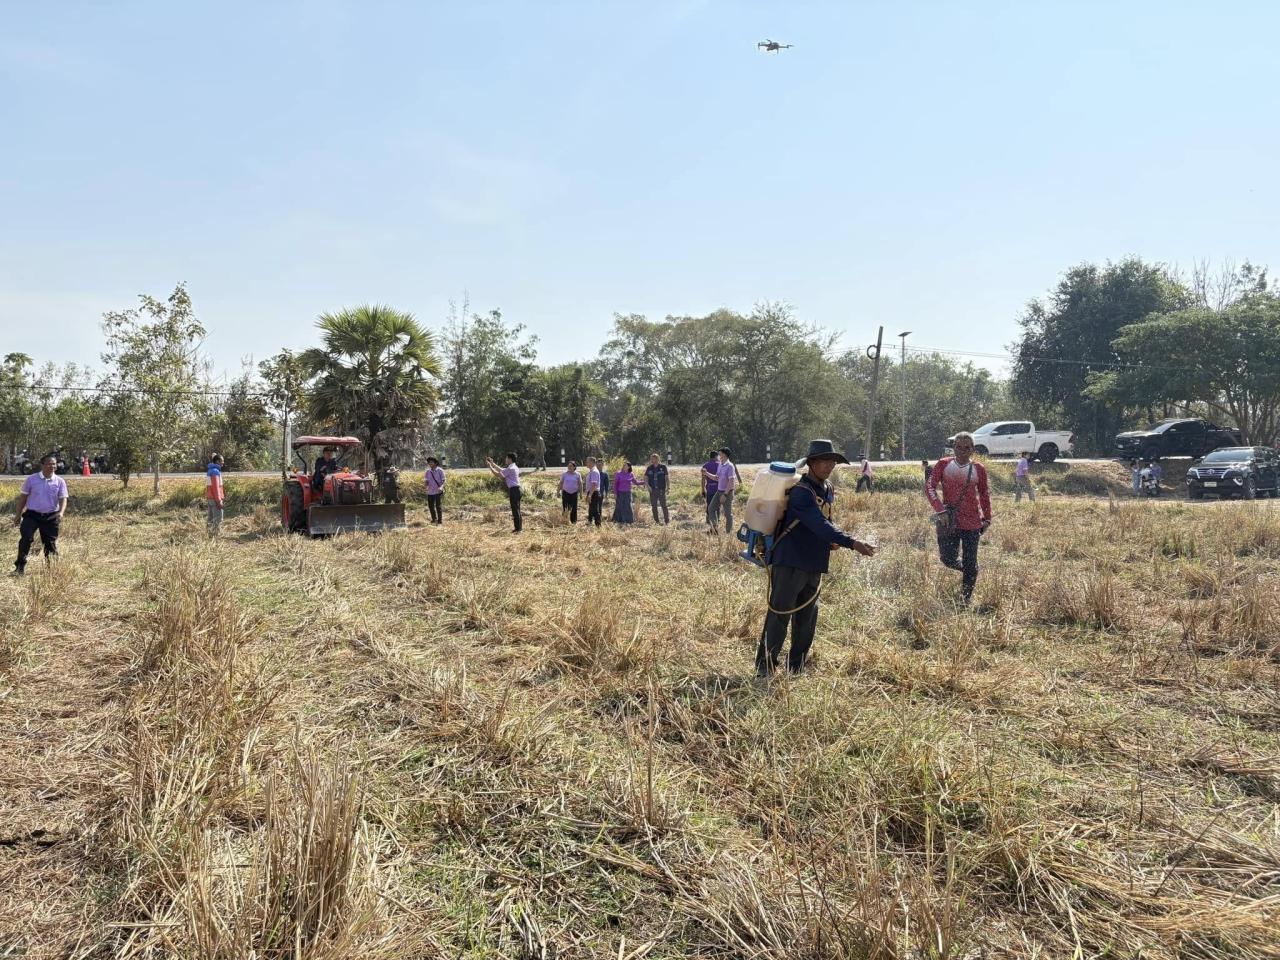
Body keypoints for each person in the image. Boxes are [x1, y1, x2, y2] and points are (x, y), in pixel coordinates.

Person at [757, 439, 876, 676]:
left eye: (832, 461)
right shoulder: (801, 491)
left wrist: (833, 539)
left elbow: (826, 522)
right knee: (780, 614)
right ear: (811, 463)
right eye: (824, 461)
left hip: (814, 562)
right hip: (791, 559)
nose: (829, 466)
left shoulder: (827, 489)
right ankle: (765, 666)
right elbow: (818, 523)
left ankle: (796, 666)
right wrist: (851, 543)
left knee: (807, 617)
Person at [926, 432, 992, 604]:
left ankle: (964, 600)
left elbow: (984, 495)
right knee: (947, 559)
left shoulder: (979, 469)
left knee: (970, 562)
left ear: (973, 450)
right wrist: (940, 510)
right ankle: (971, 571)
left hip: (973, 523)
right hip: (949, 522)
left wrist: (987, 518)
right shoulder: (943, 464)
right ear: (953, 447)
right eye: (958, 447)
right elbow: (930, 488)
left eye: (967, 448)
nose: (962, 451)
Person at [13, 453, 68, 576]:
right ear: (42, 465)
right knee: (26, 539)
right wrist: (18, 515)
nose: (51, 466)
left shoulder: (60, 481)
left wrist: (61, 512)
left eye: (54, 464)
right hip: (32, 515)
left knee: (50, 543)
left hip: (51, 516)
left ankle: (52, 569)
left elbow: (63, 498)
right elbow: (23, 498)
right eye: (48, 463)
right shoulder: (31, 479)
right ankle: (20, 567)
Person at [485, 452, 523, 533]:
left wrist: (490, 467)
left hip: (514, 490)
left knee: (515, 510)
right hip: (517, 490)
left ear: (510, 459)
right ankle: (518, 528)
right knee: (517, 510)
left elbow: (499, 475)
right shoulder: (514, 467)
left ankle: (518, 530)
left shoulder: (510, 468)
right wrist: (493, 463)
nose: (505, 459)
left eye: (506, 458)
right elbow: (502, 470)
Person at [714, 448, 739, 534]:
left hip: (727, 493)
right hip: (719, 491)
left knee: (727, 514)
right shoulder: (720, 464)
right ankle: (714, 529)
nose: (718, 455)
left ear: (724, 455)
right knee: (711, 508)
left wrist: (725, 495)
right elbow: (716, 478)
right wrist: (706, 474)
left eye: (719, 454)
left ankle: (729, 532)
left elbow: (731, 483)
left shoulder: (730, 466)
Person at [644, 453, 669, 524]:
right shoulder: (649, 468)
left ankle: (666, 521)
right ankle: (656, 521)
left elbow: (667, 478)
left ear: (658, 459)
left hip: (661, 489)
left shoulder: (663, 467)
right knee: (654, 506)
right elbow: (645, 478)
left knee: (664, 505)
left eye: (654, 458)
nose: (653, 460)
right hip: (652, 490)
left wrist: (668, 487)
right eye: (652, 459)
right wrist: (648, 486)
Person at [206, 453, 225, 536]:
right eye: (222, 461)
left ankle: (209, 535)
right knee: (218, 518)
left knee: (210, 519)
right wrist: (218, 500)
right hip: (215, 498)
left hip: (210, 498)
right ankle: (216, 536)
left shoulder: (210, 470)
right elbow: (216, 488)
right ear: (217, 461)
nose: (223, 463)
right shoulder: (215, 471)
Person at [701, 450, 721, 528]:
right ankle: (717, 519)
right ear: (716, 456)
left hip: (709, 488)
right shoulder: (720, 465)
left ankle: (709, 520)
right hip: (718, 488)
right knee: (717, 505)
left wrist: (703, 489)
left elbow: (703, 479)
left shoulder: (705, 466)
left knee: (709, 505)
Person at [424, 457, 445, 524]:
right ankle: (434, 519)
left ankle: (440, 520)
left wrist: (441, 487)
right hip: (430, 491)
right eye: (429, 462)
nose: (430, 463)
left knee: (438, 506)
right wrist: (426, 487)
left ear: (435, 463)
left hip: (437, 491)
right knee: (431, 506)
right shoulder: (428, 471)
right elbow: (426, 481)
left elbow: (443, 480)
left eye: (431, 462)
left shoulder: (440, 470)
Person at [585, 457, 603, 527]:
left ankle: (598, 525)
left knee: (595, 510)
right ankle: (590, 522)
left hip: (594, 493)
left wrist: (590, 495)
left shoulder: (594, 471)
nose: (586, 463)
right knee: (592, 508)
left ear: (592, 462)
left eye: (587, 461)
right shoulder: (592, 471)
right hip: (592, 492)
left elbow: (594, 484)